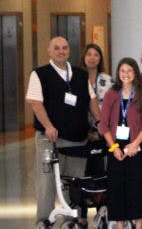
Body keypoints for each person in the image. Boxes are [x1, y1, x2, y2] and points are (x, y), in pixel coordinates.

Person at [27, 37, 98, 227]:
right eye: (56, 48)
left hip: (77, 139)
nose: (61, 51)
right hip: (50, 139)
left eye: (65, 47)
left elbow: (91, 101)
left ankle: (73, 218)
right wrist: (49, 126)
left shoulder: (81, 75)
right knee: (46, 183)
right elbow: (35, 103)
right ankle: (44, 220)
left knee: (75, 182)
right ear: (49, 52)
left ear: (69, 50)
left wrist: (99, 123)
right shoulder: (40, 74)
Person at [98, 58, 142, 229]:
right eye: (122, 71)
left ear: (135, 73)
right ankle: (120, 224)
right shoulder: (111, 94)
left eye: (129, 71)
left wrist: (134, 144)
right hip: (115, 146)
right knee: (117, 187)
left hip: (136, 145)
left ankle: (138, 224)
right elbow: (103, 124)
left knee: (137, 186)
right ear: (118, 73)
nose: (126, 74)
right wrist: (113, 147)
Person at [81, 44, 113, 108]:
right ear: (84, 57)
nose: (92, 58)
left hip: (103, 117)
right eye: (89, 54)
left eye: (96, 55)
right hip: (81, 117)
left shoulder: (109, 80)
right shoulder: (77, 78)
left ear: (100, 59)